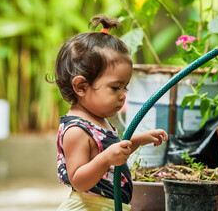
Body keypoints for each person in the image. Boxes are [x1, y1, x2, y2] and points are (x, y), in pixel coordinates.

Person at [51, 14, 168, 210]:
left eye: (125, 88)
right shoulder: (76, 130)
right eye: (115, 88)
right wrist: (106, 158)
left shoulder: (99, 122)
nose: (123, 96)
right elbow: (79, 180)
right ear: (81, 86)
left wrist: (137, 140)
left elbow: (113, 158)